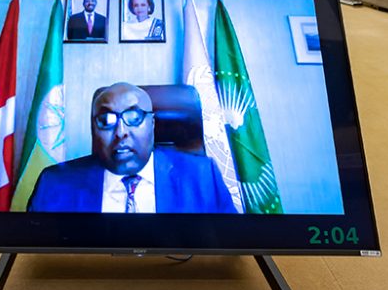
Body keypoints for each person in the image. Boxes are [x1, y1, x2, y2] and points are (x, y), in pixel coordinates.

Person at [27, 82, 236, 213]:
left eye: (134, 117)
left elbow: (229, 248)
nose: (120, 132)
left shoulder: (203, 176)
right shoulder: (53, 184)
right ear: (93, 128)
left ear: (152, 124)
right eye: (106, 119)